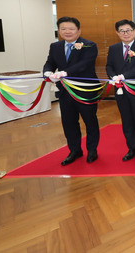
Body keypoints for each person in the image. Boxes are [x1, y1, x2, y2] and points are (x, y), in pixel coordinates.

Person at [43, 16, 100, 165]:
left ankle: (92, 150)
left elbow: (84, 64)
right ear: (59, 31)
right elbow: (50, 62)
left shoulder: (89, 45)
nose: (67, 31)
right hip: (65, 92)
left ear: (79, 30)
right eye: (63, 28)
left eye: (71, 28)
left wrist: (65, 73)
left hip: (85, 91)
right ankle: (75, 150)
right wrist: (47, 72)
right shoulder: (55, 47)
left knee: (90, 121)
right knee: (68, 122)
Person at [106, 19, 135, 162]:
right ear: (117, 33)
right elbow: (109, 66)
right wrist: (113, 77)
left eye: (128, 30)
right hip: (121, 91)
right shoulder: (113, 49)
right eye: (122, 31)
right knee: (127, 121)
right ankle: (131, 148)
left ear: (134, 31)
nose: (126, 34)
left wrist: (123, 76)